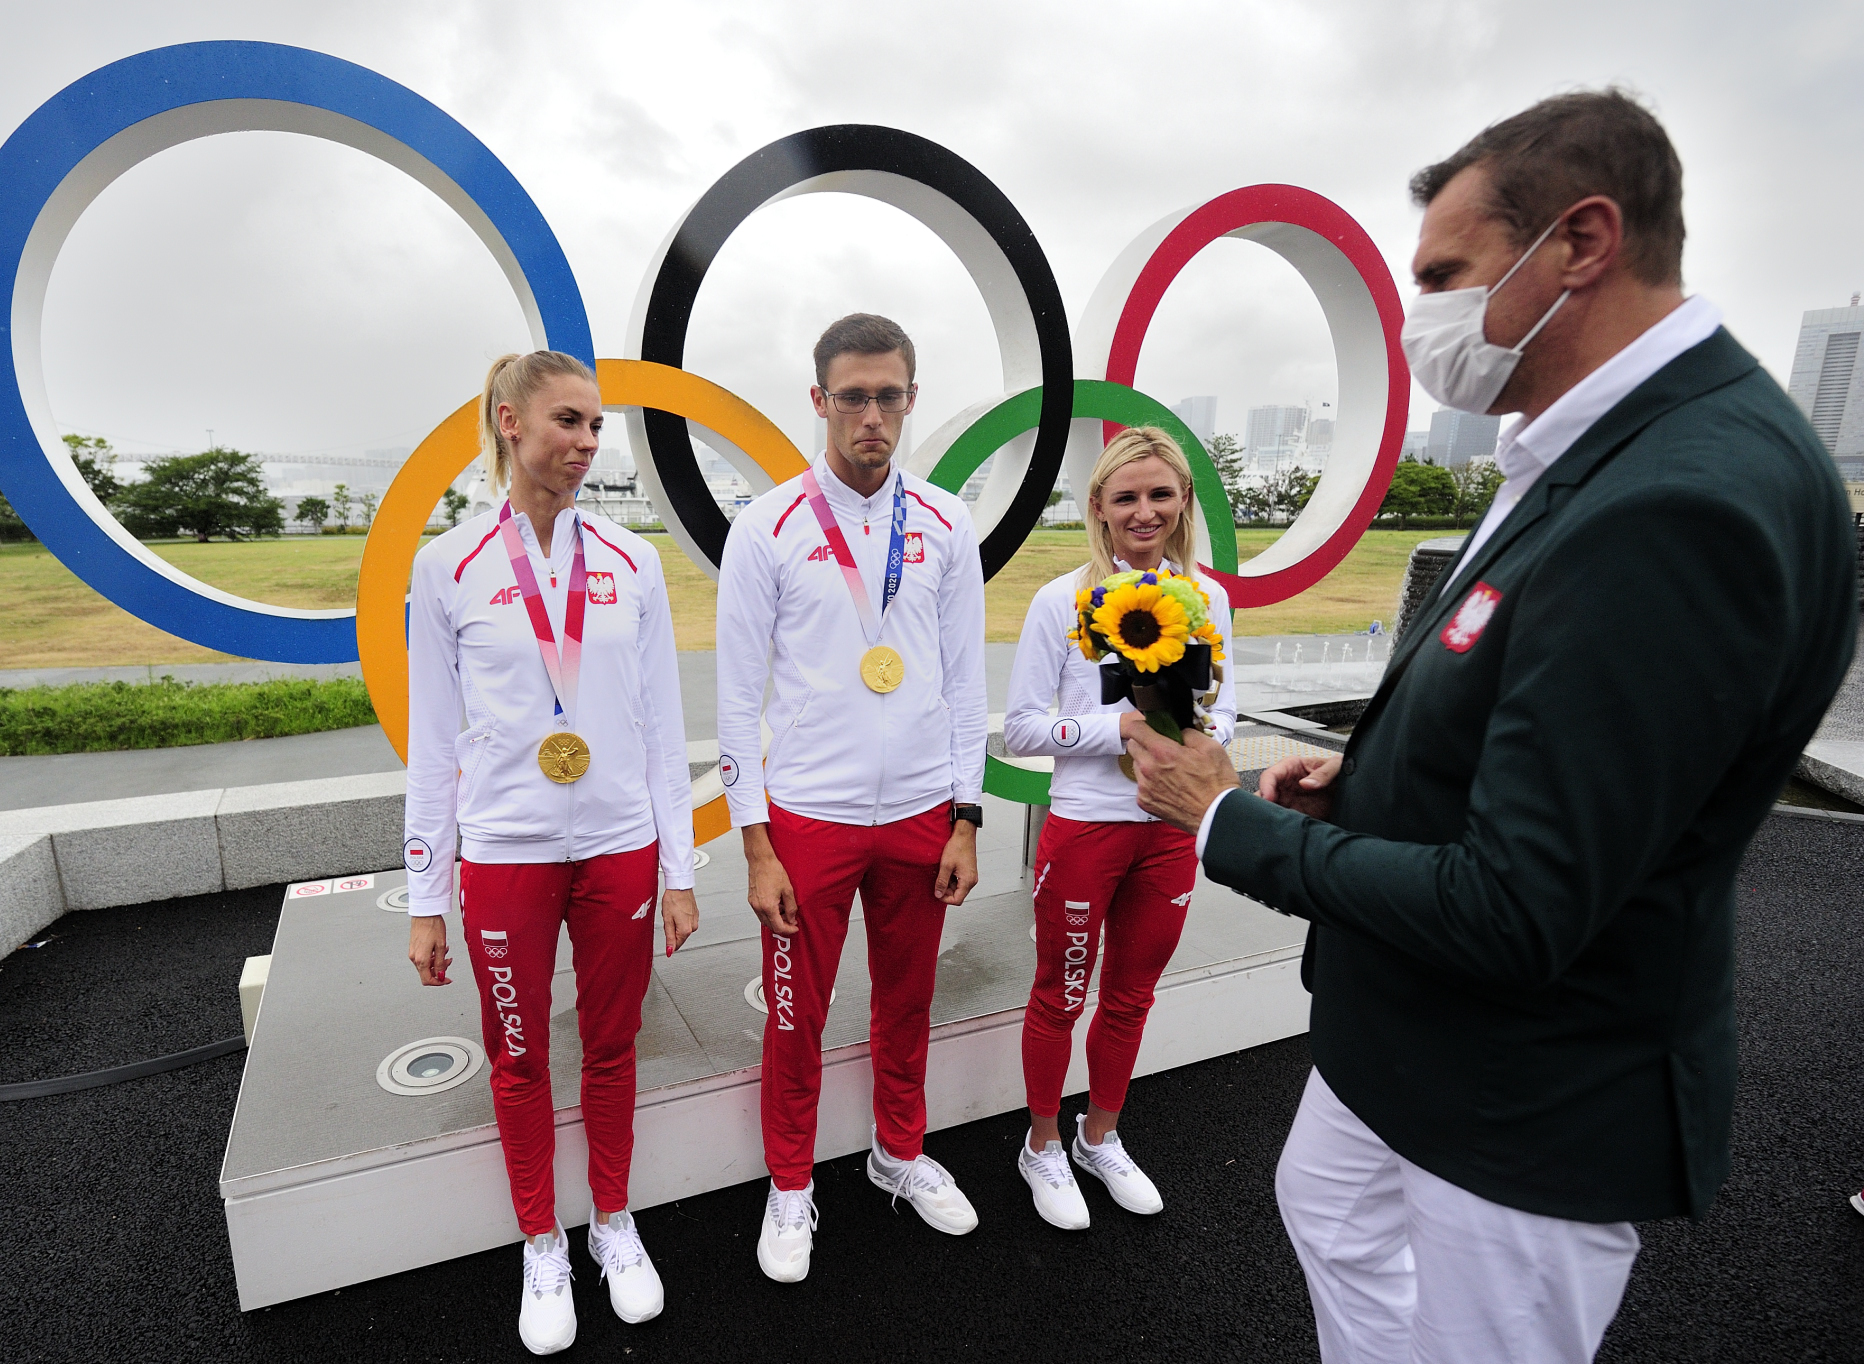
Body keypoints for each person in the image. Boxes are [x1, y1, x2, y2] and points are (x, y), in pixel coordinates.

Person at [1123, 90, 1857, 1362]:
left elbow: (1522, 904)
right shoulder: (1586, 452)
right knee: (1326, 1211)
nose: (1422, 322)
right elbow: (1557, 724)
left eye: (1446, 275)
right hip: (1415, 1037)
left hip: (1525, 1094)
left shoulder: (1679, 500)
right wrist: (1373, 774)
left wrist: (1223, 818)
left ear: (1579, 243)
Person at [403, 350, 699, 1356]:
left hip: (617, 844)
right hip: (505, 852)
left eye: (592, 425)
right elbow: (433, 741)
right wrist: (423, 893)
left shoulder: (629, 560)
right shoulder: (447, 563)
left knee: (612, 1047)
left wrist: (677, 869)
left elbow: (663, 725)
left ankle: (611, 1219)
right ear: (507, 420)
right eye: (566, 421)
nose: (583, 443)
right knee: (520, 1053)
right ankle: (543, 1238)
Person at [714, 313, 988, 1282]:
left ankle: (897, 1151)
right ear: (820, 400)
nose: (870, 413)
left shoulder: (948, 524)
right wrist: (755, 846)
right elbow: (734, 699)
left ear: (910, 399)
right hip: (806, 819)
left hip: (920, 813)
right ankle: (790, 1180)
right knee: (796, 1012)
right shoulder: (768, 526)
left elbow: (964, 684)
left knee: (906, 998)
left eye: (888, 395)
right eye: (852, 395)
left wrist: (965, 814)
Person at [1003, 426, 1237, 1230]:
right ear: (1097, 506)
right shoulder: (1059, 600)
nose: (1145, 512)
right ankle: (1041, 1145)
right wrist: (1128, 730)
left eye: (1160, 495)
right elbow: (1024, 729)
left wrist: (1198, 739)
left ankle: (1099, 1135)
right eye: (1127, 496)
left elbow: (1226, 711)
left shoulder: (1209, 599)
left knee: (1132, 996)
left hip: (1172, 830)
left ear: (1182, 505)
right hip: (1086, 830)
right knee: (1060, 995)